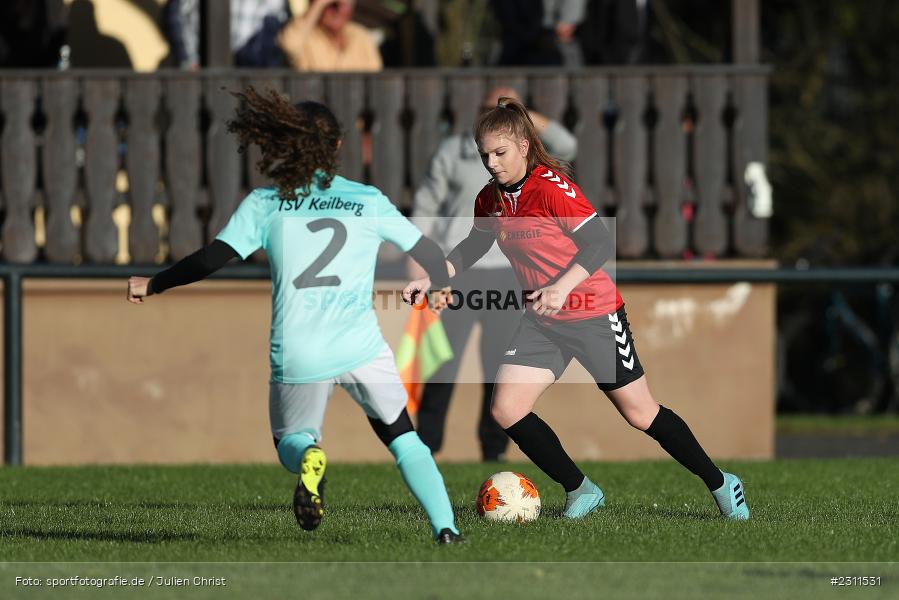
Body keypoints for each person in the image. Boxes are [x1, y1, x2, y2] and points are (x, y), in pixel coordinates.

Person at [126, 87, 463, 544]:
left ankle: (309, 457)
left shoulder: (265, 203)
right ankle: (446, 528)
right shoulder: (367, 199)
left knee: (291, 441)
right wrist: (440, 285)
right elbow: (428, 250)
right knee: (402, 435)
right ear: (339, 147)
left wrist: (153, 283)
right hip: (361, 345)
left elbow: (209, 260)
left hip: (301, 349)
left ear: (284, 145)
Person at [403, 98, 751, 521]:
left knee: (640, 414)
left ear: (525, 147)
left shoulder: (551, 187)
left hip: (594, 314)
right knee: (506, 409)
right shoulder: (490, 199)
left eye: (500, 153)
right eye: (484, 155)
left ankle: (721, 483)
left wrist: (563, 287)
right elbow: (475, 244)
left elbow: (600, 243)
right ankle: (580, 489)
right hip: (542, 321)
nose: (491, 163)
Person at [409, 86, 578, 462]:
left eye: (504, 111)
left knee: (498, 365)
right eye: (489, 109)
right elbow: (426, 203)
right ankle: (426, 447)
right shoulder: (453, 150)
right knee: (442, 363)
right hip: (459, 273)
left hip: (508, 273)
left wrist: (519, 115)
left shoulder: (529, 158)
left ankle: (494, 449)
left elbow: (568, 144)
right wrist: (420, 261)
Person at [278, 0, 382, 72]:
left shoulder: (360, 35)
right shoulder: (306, 35)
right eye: (331, 5)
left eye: (343, 5)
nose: (337, 11)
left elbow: (376, 73)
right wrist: (319, 4)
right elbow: (289, 45)